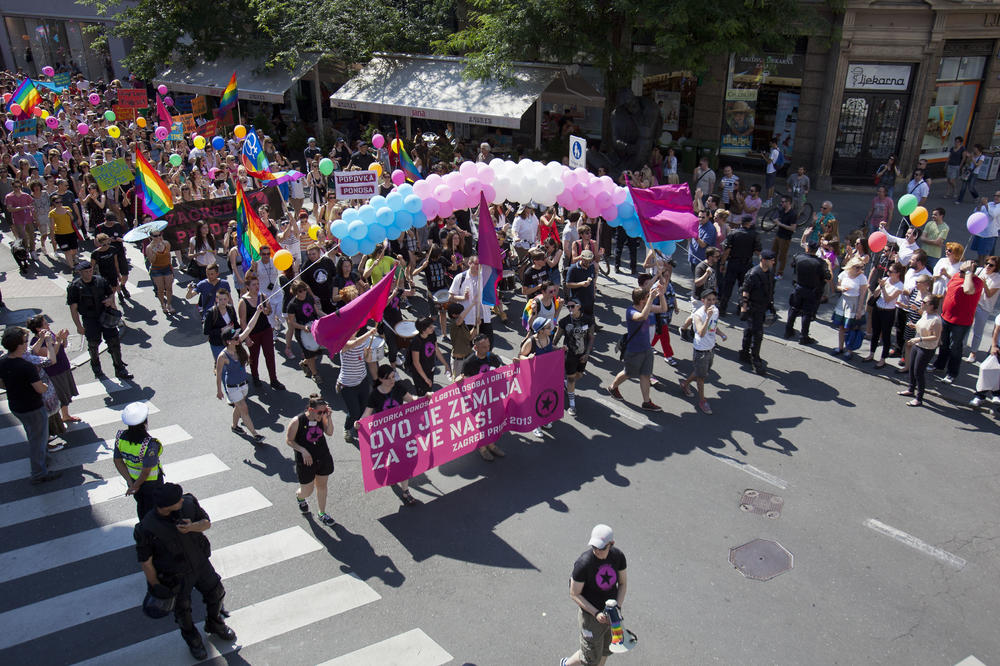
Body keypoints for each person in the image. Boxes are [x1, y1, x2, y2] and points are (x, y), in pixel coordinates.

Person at [133, 482, 236, 660]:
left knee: (216, 593)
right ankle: (192, 638)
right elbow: (146, 562)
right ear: (165, 506)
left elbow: (206, 523)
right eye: (177, 500)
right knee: (182, 610)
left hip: (200, 563)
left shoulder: (188, 503)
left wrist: (191, 527)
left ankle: (215, 623)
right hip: (175, 575)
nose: (181, 500)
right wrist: (156, 586)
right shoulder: (146, 528)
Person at [560, 524, 627, 666]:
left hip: (611, 615)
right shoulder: (583, 564)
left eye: (601, 548)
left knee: (607, 649)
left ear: (611, 544)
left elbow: (622, 584)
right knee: (590, 657)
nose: (597, 551)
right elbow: (574, 593)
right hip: (590, 618)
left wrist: (617, 608)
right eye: (594, 547)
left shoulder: (618, 557)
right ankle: (566, 664)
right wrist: (596, 613)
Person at [0, 327, 60, 484]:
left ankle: (44, 459)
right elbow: (40, 389)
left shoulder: (3, 362)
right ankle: (39, 473)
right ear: (19, 345)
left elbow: (2, 383)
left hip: (16, 406)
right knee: (38, 440)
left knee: (34, 435)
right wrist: (45, 386)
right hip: (32, 407)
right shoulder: (26, 366)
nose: (27, 344)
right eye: (25, 341)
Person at [361, 365, 420, 505]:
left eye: (393, 377)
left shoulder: (398, 387)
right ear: (381, 379)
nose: (392, 380)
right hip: (385, 435)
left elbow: (411, 399)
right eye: (389, 378)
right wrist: (359, 423)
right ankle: (392, 477)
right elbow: (367, 414)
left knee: (404, 462)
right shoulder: (375, 395)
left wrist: (425, 398)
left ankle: (405, 491)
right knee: (391, 460)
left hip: (401, 432)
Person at [67, 260, 132, 380]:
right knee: (93, 344)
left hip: (105, 316)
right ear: (80, 272)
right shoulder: (75, 287)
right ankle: (96, 367)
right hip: (90, 319)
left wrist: (110, 300)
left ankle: (120, 369)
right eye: (86, 272)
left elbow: (110, 294)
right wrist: (78, 326)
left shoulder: (100, 281)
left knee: (114, 343)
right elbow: (73, 308)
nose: (89, 273)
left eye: (90, 270)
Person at [607, 284, 667, 411]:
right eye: (647, 297)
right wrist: (651, 299)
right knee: (628, 373)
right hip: (634, 351)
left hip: (647, 348)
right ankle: (612, 387)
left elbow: (663, 309)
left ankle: (646, 402)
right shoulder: (631, 311)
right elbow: (642, 317)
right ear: (642, 300)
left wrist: (661, 295)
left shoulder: (646, 307)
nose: (649, 298)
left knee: (645, 374)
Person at [216, 305, 268, 442]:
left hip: (243, 385)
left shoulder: (238, 345)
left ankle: (234, 426)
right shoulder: (223, 356)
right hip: (233, 387)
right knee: (244, 409)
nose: (238, 339)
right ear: (228, 341)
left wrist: (258, 312)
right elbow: (219, 373)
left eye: (237, 336)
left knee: (239, 407)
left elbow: (249, 327)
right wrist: (219, 390)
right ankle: (255, 434)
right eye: (235, 338)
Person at [286, 395, 336, 526]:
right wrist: (302, 450)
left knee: (322, 486)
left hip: (322, 456)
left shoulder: (322, 417)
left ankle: (322, 513)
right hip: (306, 461)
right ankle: (300, 497)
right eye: (320, 412)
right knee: (307, 491)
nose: (322, 414)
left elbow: (330, 432)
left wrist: (329, 417)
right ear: (310, 409)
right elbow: (289, 440)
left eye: (324, 411)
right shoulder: (297, 421)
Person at [932, 261, 985, 383]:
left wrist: (968, 273)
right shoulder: (956, 276)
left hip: (961, 321)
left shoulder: (977, 282)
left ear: (971, 272)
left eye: (963, 271)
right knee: (943, 343)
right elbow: (948, 290)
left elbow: (968, 290)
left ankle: (952, 373)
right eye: (960, 270)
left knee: (955, 347)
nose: (959, 273)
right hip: (946, 317)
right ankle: (939, 365)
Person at [113, 402, 164, 519]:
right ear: (145, 422)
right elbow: (146, 471)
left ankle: (143, 526)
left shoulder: (120, 437)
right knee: (155, 511)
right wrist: (136, 486)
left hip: (132, 479)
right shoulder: (150, 444)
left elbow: (117, 461)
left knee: (141, 506)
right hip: (151, 484)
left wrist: (131, 483)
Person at [458, 334, 506, 461]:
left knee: (491, 421)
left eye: (488, 346)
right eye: (484, 347)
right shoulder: (469, 363)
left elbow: (501, 372)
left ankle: (491, 444)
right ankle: (482, 448)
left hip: (492, 397)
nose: (487, 349)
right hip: (478, 399)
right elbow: (465, 382)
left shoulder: (493, 358)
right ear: (476, 347)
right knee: (480, 423)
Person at [679, 290, 728, 414]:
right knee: (701, 378)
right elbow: (701, 332)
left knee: (701, 372)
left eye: (713, 300)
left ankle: (685, 384)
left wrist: (721, 334)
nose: (712, 302)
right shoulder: (698, 315)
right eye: (709, 300)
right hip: (700, 350)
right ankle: (702, 401)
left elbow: (714, 326)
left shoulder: (715, 310)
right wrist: (708, 317)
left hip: (711, 348)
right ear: (703, 301)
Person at [26, 315, 80, 424]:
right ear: (38, 328)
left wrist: (64, 338)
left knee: (65, 392)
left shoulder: (50, 334)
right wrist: (58, 341)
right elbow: (50, 356)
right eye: (45, 324)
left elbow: (63, 346)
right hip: (53, 372)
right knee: (59, 395)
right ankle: (59, 419)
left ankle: (65, 415)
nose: (48, 325)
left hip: (63, 367)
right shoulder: (36, 342)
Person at [238, 275, 284, 390]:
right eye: (254, 284)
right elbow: (243, 322)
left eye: (258, 284)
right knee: (254, 357)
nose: (257, 286)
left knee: (270, 355)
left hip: (265, 330)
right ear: (248, 287)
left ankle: (273, 379)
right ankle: (255, 377)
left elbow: (269, 312)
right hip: (253, 333)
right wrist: (246, 338)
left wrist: (267, 310)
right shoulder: (243, 301)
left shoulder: (263, 296)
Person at [897, 295, 943, 407]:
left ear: (931, 306)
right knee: (912, 368)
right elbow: (922, 327)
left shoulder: (936, 320)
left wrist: (919, 339)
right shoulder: (925, 314)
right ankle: (910, 389)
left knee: (918, 372)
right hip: (917, 345)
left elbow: (935, 337)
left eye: (924, 302)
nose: (922, 303)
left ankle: (919, 398)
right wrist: (914, 326)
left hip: (926, 348)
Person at [553, 298, 595, 417]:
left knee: (579, 375)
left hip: (582, 354)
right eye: (568, 307)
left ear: (579, 306)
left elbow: (591, 337)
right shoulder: (564, 321)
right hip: (569, 355)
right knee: (571, 379)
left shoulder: (588, 320)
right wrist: (555, 348)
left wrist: (587, 353)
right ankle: (572, 405)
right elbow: (556, 338)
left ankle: (565, 383)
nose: (570, 309)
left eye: (572, 306)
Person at [783, 240, 830, 345]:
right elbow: (827, 277)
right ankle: (803, 336)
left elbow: (792, 265)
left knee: (793, 309)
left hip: (799, 287)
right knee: (807, 313)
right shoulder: (820, 263)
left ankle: (788, 331)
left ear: (808, 248)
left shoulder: (799, 257)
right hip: (812, 290)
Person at [338, 322, 378, 444]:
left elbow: (366, 359)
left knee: (364, 409)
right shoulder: (343, 344)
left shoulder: (362, 343)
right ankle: (347, 428)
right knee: (354, 412)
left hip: (362, 382)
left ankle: (359, 427)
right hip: (348, 385)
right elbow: (354, 344)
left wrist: (369, 354)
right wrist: (369, 333)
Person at [739, 250, 776, 375]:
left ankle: (744, 353)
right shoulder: (753, 274)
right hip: (753, 307)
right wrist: (744, 309)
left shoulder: (770, 272)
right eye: (771, 260)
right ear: (764, 260)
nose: (773, 262)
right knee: (758, 334)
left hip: (762, 307)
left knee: (750, 330)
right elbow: (745, 291)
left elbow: (770, 289)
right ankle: (755, 360)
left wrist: (770, 305)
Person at [863, 262, 905, 367]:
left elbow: (888, 299)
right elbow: (875, 294)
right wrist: (879, 287)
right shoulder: (885, 279)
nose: (888, 273)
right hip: (878, 308)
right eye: (888, 271)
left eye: (891, 271)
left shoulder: (900, 286)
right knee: (875, 333)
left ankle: (883, 359)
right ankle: (871, 353)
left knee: (886, 335)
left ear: (898, 273)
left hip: (888, 312)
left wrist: (883, 288)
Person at [449, 255, 494, 346]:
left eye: (480, 264)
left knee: (488, 344)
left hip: (483, 317)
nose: (479, 266)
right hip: (468, 318)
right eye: (476, 264)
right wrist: (463, 298)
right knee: (467, 344)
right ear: (469, 263)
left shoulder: (484, 277)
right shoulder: (460, 278)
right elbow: (450, 297)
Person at [719, 215, 761, 314]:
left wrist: (722, 263)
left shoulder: (733, 233)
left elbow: (727, 251)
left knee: (728, 287)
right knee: (744, 287)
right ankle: (740, 309)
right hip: (746, 264)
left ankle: (722, 308)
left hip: (733, 263)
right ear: (749, 223)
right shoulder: (754, 235)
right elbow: (758, 251)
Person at [285, 279, 323, 382]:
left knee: (315, 353)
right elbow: (291, 322)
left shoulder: (309, 298)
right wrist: (303, 328)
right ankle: (315, 374)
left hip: (313, 328)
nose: (303, 293)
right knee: (310, 355)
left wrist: (328, 317)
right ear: (295, 292)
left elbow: (317, 311)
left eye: (304, 290)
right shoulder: (292, 305)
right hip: (302, 332)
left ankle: (305, 363)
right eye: (300, 291)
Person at [831, 258, 869, 358]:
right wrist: (841, 288)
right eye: (857, 267)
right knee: (841, 327)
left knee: (851, 328)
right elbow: (837, 286)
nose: (859, 269)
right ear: (851, 266)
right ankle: (840, 347)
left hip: (854, 303)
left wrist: (859, 310)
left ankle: (849, 350)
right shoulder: (844, 274)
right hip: (843, 301)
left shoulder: (862, 278)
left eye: (861, 267)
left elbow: (862, 295)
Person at [967, 257, 1000, 363]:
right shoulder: (979, 270)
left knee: (978, 331)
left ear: (996, 267)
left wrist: (984, 283)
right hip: (973, 302)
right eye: (987, 263)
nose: (987, 266)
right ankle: (961, 347)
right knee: (966, 326)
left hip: (984, 307)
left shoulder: (997, 279)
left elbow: (989, 294)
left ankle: (973, 352)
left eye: (991, 265)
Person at [408, 316, 450, 396]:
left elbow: (436, 349)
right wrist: (426, 379)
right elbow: (416, 363)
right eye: (430, 327)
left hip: (430, 368)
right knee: (423, 395)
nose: (433, 327)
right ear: (423, 330)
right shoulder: (416, 342)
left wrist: (446, 364)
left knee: (429, 391)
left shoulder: (432, 334)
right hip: (420, 374)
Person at [145, 230, 175, 314]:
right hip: (156, 269)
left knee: (169, 287)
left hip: (167, 267)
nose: (158, 237)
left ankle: (169, 304)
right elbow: (152, 261)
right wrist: (155, 253)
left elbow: (168, 255)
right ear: (151, 237)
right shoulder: (149, 248)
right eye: (155, 236)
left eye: (159, 235)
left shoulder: (166, 243)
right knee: (160, 289)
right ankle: (162, 304)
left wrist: (161, 247)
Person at [763, 137, 780, 204]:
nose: (770, 144)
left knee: (769, 186)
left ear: (774, 143)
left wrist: (763, 156)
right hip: (774, 170)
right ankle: (770, 199)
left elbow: (769, 162)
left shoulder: (773, 151)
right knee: (772, 185)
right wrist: (767, 156)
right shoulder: (778, 149)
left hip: (770, 170)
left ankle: (768, 201)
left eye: (770, 143)